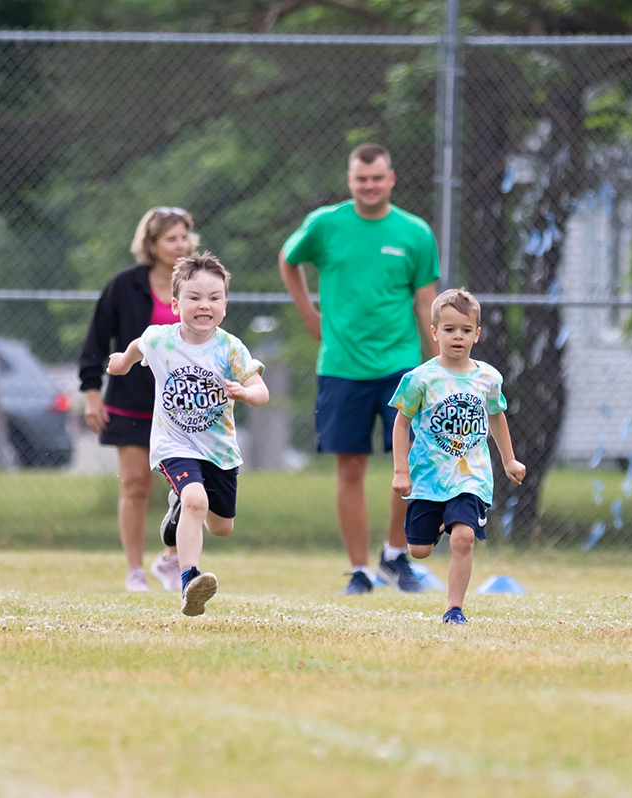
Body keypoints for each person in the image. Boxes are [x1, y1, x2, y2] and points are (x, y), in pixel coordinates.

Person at [278, 143, 441, 595]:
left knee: (408, 465)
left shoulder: (415, 232)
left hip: (400, 368)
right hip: (342, 367)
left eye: (377, 178)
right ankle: (359, 572)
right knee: (349, 469)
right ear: (350, 181)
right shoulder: (326, 224)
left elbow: (427, 300)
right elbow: (289, 260)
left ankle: (394, 557)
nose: (369, 186)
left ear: (391, 179)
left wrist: (436, 364)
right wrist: (310, 315)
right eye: (360, 179)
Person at [107, 252, 268, 616]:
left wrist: (247, 393)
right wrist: (121, 363)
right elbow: (136, 347)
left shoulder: (230, 348)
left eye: (214, 297)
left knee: (222, 526)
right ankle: (188, 580)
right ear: (176, 303)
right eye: (194, 298)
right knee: (197, 499)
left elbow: (261, 390)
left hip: (220, 451)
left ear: (225, 304)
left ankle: (178, 510)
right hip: (173, 444)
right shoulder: (161, 340)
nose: (204, 305)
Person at [390, 288, 526, 623]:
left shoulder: (488, 378)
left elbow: (496, 416)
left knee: (464, 538)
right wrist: (400, 470)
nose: (457, 337)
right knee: (419, 551)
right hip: (428, 477)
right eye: (449, 329)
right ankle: (436, 523)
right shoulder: (420, 379)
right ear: (434, 332)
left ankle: (454, 609)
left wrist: (509, 459)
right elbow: (400, 424)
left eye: (466, 330)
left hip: (471, 476)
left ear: (477, 334)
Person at [80, 207, 195, 592]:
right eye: (171, 239)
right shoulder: (125, 286)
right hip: (132, 402)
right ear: (151, 245)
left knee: (189, 488)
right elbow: (96, 342)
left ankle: (172, 560)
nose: (181, 246)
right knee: (135, 485)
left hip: (183, 405)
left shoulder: (198, 283)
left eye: (184, 237)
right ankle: (134, 570)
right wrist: (92, 394)